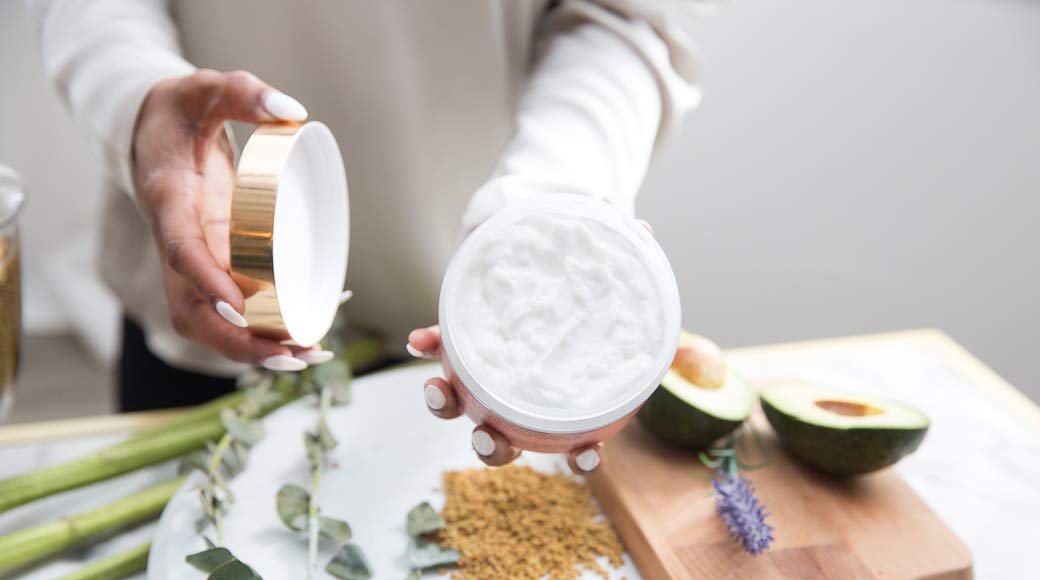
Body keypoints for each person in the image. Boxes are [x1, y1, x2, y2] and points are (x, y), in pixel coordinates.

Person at [29, 0, 705, 472]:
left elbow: (628, 14)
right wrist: (140, 99)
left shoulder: (515, 315)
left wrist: (553, 205)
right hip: (210, 272)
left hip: (468, 325)